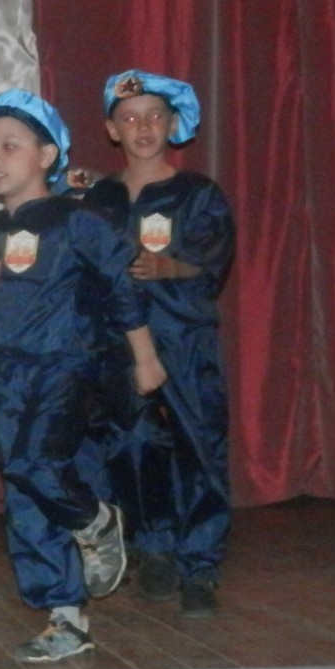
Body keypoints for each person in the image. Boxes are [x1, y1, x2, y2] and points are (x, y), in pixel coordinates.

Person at [0, 90, 167, 662]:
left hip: (71, 364)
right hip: (10, 376)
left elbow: (122, 288)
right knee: (26, 494)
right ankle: (65, 618)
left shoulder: (78, 220)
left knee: (34, 464)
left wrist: (145, 357)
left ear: (46, 155)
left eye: (10, 146)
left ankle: (96, 521)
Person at [82, 70, 235, 618]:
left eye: (154, 116)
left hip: (183, 340)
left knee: (199, 447)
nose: (143, 127)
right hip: (118, 344)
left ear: (173, 124)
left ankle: (200, 565)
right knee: (131, 445)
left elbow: (212, 258)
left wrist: (169, 266)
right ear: (112, 129)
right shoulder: (98, 197)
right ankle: (154, 548)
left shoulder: (197, 193)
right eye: (129, 118)